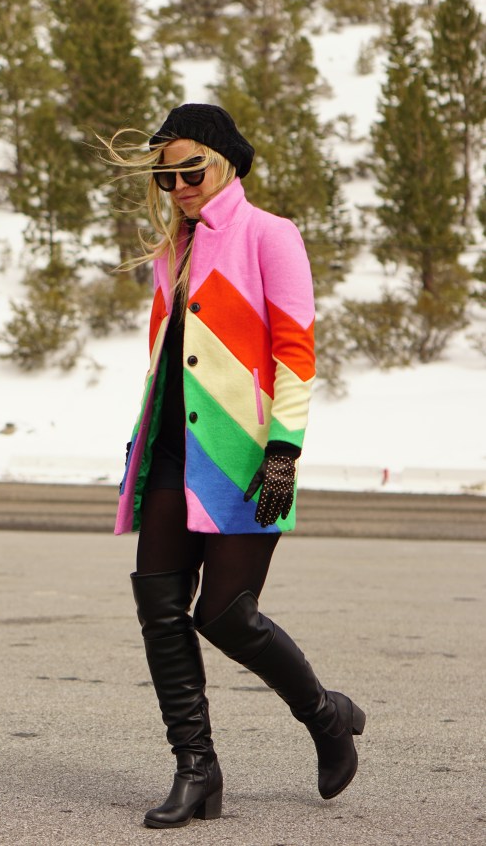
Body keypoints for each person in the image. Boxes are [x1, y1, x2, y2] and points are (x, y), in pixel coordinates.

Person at [110, 104, 365, 829]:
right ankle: (197, 770)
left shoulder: (270, 235)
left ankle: (326, 717)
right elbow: (170, 357)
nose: (179, 187)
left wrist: (283, 452)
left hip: (245, 456)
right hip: (170, 450)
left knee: (225, 615)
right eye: (167, 177)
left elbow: (295, 353)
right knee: (160, 609)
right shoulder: (173, 249)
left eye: (191, 170)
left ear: (224, 160)